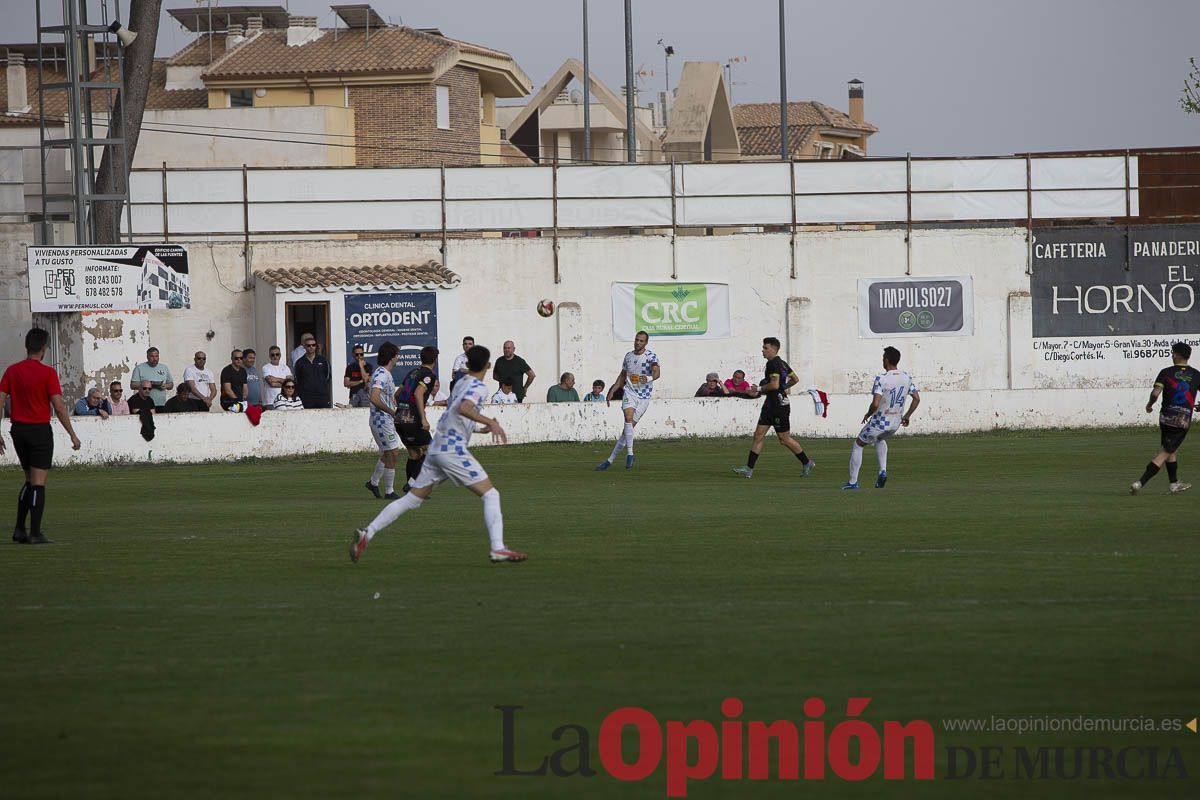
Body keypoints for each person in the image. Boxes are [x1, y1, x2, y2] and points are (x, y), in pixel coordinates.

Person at [351, 345, 526, 564]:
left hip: (437, 449)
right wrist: (490, 421)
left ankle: (368, 532)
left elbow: (458, 414)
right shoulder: (478, 387)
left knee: (412, 500)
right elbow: (464, 408)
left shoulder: (461, 382)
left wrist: (481, 429)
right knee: (491, 495)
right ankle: (498, 548)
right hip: (452, 450)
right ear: (488, 366)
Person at [0, 327, 82, 544]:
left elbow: (0, 402)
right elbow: (59, 406)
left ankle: (19, 529)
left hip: (18, 430)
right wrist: (72, 435)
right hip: (39, 430)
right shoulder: (47, 373)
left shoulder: (12, 371)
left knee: (28, 479)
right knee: (38, 483)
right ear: (44, 349)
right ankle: (35, 533)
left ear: (27, 346)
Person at [733, 337, 815, 479]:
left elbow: (774, 385)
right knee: (758, 435)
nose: (762, 350)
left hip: (778, 407)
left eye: (765, 348)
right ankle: (749, 469)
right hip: (769, 405)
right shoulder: (782, 363)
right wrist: (781, 388)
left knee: (784, 439)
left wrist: (758, 388)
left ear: (773, 349)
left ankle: (807, 462)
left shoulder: (773, 364)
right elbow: (795, 379)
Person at [842, 346, 921, 490]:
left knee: (858, 444)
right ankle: (882, 470)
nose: (882, 360)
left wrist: (868, 414)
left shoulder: (882, 378)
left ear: (887, 360)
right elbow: (916, 398)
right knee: (879, 439)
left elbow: (875, 403)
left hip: (880, 422)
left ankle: (853, 482)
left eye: (883, 357)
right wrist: (907, 415)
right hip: (895, 423)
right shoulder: (906, 377)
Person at [1131, 341, 1199, 495]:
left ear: (1177, 354)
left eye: (1173, 352)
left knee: (1170, 449)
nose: (1172, 355)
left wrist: (1149, 405)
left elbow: (1155, 393)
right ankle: (1140, 483)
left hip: (1166, 417)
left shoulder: (1166, 372)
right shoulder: (1196, 375)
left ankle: (1174, 483)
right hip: (1182, 420)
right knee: (1164, 452)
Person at [597, 331, 661, 471]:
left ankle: (610, 460)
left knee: (627, 431)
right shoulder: (628, 356)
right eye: (636, 340)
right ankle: (630, 454)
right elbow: (623, 375)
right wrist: (612, 391)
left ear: (646, 343)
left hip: (644, 397)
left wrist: (649, 378)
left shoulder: (651, 356)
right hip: (629, 393)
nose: (638, 342)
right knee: (628, 417)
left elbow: (656, 371)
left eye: (641, 341)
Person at [393, 345, 439, 494]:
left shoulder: (412, 372)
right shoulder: (429, 375)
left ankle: (410, 490)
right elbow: (419, 394)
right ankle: (412, 483)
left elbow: (397, 394)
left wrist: (403, 408)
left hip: (399, 417)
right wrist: (423, 418)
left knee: (414, 454)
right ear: (435, 360)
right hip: (412, 418)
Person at [294, 338, 332, 409]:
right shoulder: (299, 362)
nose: (311, 347)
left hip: (322, 396)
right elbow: (297, 380)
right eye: (309, 345)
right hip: (306, 397)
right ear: (304, 347)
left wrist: (321, 385)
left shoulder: (323, 360)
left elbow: (327, 377)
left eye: (313, 345)